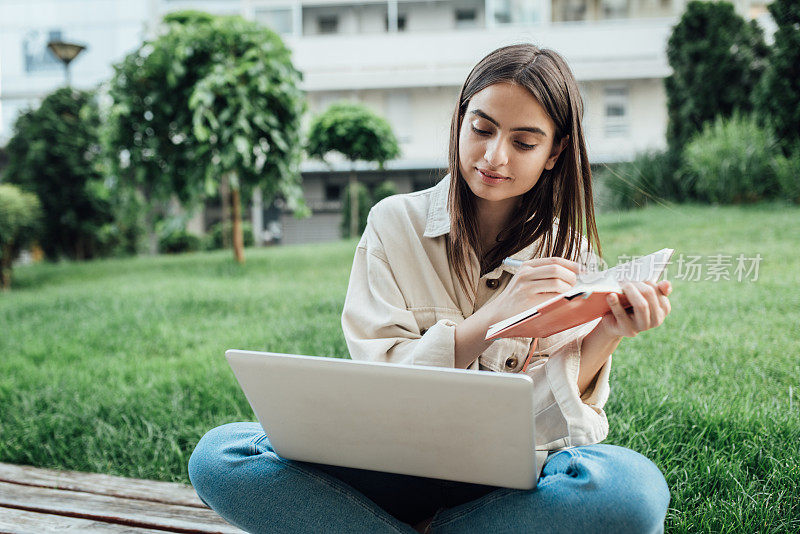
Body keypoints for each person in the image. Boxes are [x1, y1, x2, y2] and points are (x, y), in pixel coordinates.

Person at [188, 44, 673, 534]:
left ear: (555, 152)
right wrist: (493, 319)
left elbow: (548, 422)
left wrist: (606, 333)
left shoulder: (575, 255)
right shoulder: (393, 224)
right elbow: (381, 388)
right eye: (481, 128)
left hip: (510, 485)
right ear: (460, 120)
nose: (493, 155)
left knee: (630, 492)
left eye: (524, 142)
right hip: (394, 467)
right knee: (222, 455)